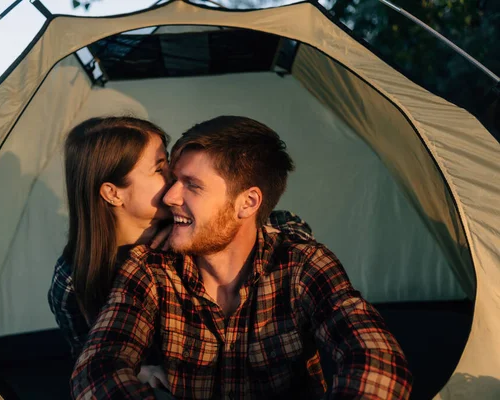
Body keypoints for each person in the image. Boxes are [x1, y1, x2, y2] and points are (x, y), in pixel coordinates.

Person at [70, 116, 413, 399]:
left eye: (192, 184)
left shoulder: (301, 265)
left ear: (247, 203)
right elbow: (97, 368)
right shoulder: (149, 268)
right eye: (172, 178)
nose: (171, 196)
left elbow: (375, 357)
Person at [48, 116, 317, 386]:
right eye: (159, 168)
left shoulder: (192, 235)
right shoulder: (73, 278)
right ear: (113, 193)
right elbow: (86, 357)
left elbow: (287, 222)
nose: (174, 176)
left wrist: (183, 229)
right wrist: (138, 370)